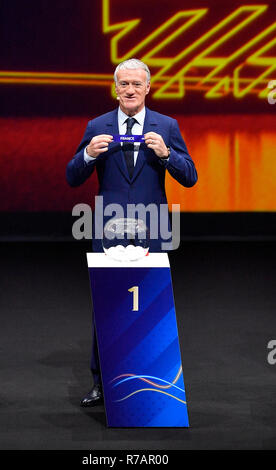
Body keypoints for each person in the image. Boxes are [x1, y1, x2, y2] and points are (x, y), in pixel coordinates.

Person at [66, 58, 198, 407]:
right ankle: (102, 384)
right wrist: (88, 156)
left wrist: (168, 155)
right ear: (115, 87)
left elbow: (190, 176)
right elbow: (71, 175)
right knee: (107, 308)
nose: (129, 90)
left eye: (136, 84)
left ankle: (153, 384)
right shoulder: (97, 125)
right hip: (108, 230)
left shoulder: (166, 126)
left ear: (148, 88)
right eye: (123, 83)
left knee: (150, 307)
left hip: (151, 230)